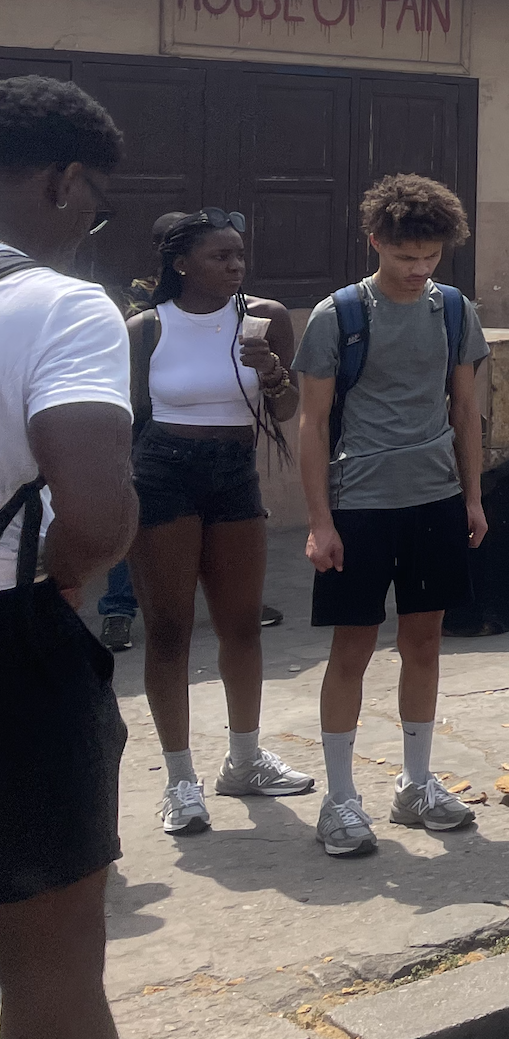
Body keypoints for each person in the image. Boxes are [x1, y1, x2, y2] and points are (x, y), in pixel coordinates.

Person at [0, 76, 137, 1039]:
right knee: (50, 969)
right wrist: (71, 580)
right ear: (63, 178)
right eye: (96, 196)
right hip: (13, 650)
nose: (92, 218)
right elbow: (93, 515)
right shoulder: (60, 308)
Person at [296, 175, 489, 859]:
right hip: (361, 503)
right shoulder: (340, 313)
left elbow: (464, 409)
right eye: (406, 255)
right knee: (351, 646)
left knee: (426, 642)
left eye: (431, 256)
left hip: (434, 497)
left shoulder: (454, 310)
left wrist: (471, 495)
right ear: (376, 241)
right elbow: (312, 423)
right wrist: (320, 521)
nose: (418, 270)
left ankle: (414, 782)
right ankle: (341, 797)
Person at [126, 209, 312, 836]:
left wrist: (271, 370)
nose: (235, 266)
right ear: (182, 265)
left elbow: (287, 409)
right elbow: (125, 415)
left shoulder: (266, 318)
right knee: (170, 631)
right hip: (161, 471)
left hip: (234, 472)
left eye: (239, 255)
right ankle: (180, 780)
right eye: (220, 257)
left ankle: (244, 759)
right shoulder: (147, 328)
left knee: (242, 626)